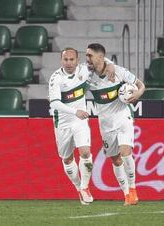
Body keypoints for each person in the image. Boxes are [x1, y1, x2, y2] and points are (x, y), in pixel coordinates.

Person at [48, 47, 115, 205]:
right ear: (61, 60)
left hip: (80, 119)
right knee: (67, 158)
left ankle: (85, 187)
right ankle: (78, 187)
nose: (69, 63)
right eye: (66, 59)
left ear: (77, 60)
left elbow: (100, 61)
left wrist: (111, 64)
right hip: (63, 121)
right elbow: (55, 103)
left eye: (72, 59)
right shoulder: (56, 78)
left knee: (85, 152)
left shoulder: (85, 70)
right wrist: (74, 111)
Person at [85, 43, 145, 205]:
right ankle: (126, 194)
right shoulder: (86, 74)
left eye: (90, 55)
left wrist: (138, 93)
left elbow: (141, 85)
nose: (87, 58)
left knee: (125, 152)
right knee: (115, 160)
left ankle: (133, 190)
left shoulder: (118, 71)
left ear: (99, 57)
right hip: (105, 122)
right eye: (86, 55)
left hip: (123, 116)